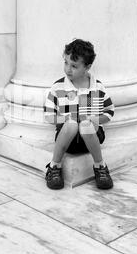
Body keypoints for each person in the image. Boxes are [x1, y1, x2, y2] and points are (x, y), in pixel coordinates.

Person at [43, 39, 115, 190]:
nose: (68, 69)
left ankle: (100, 166)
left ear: (87, 67)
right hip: (68, 141)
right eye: (66, 63)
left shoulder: (97, 87)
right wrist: (66, 118)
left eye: (74, 66)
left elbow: (109, 111)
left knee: (86, 124)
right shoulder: (58, 87)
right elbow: (48, 115)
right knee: (71, 124)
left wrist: (95, 119)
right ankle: (54, 166)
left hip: (92, 137)